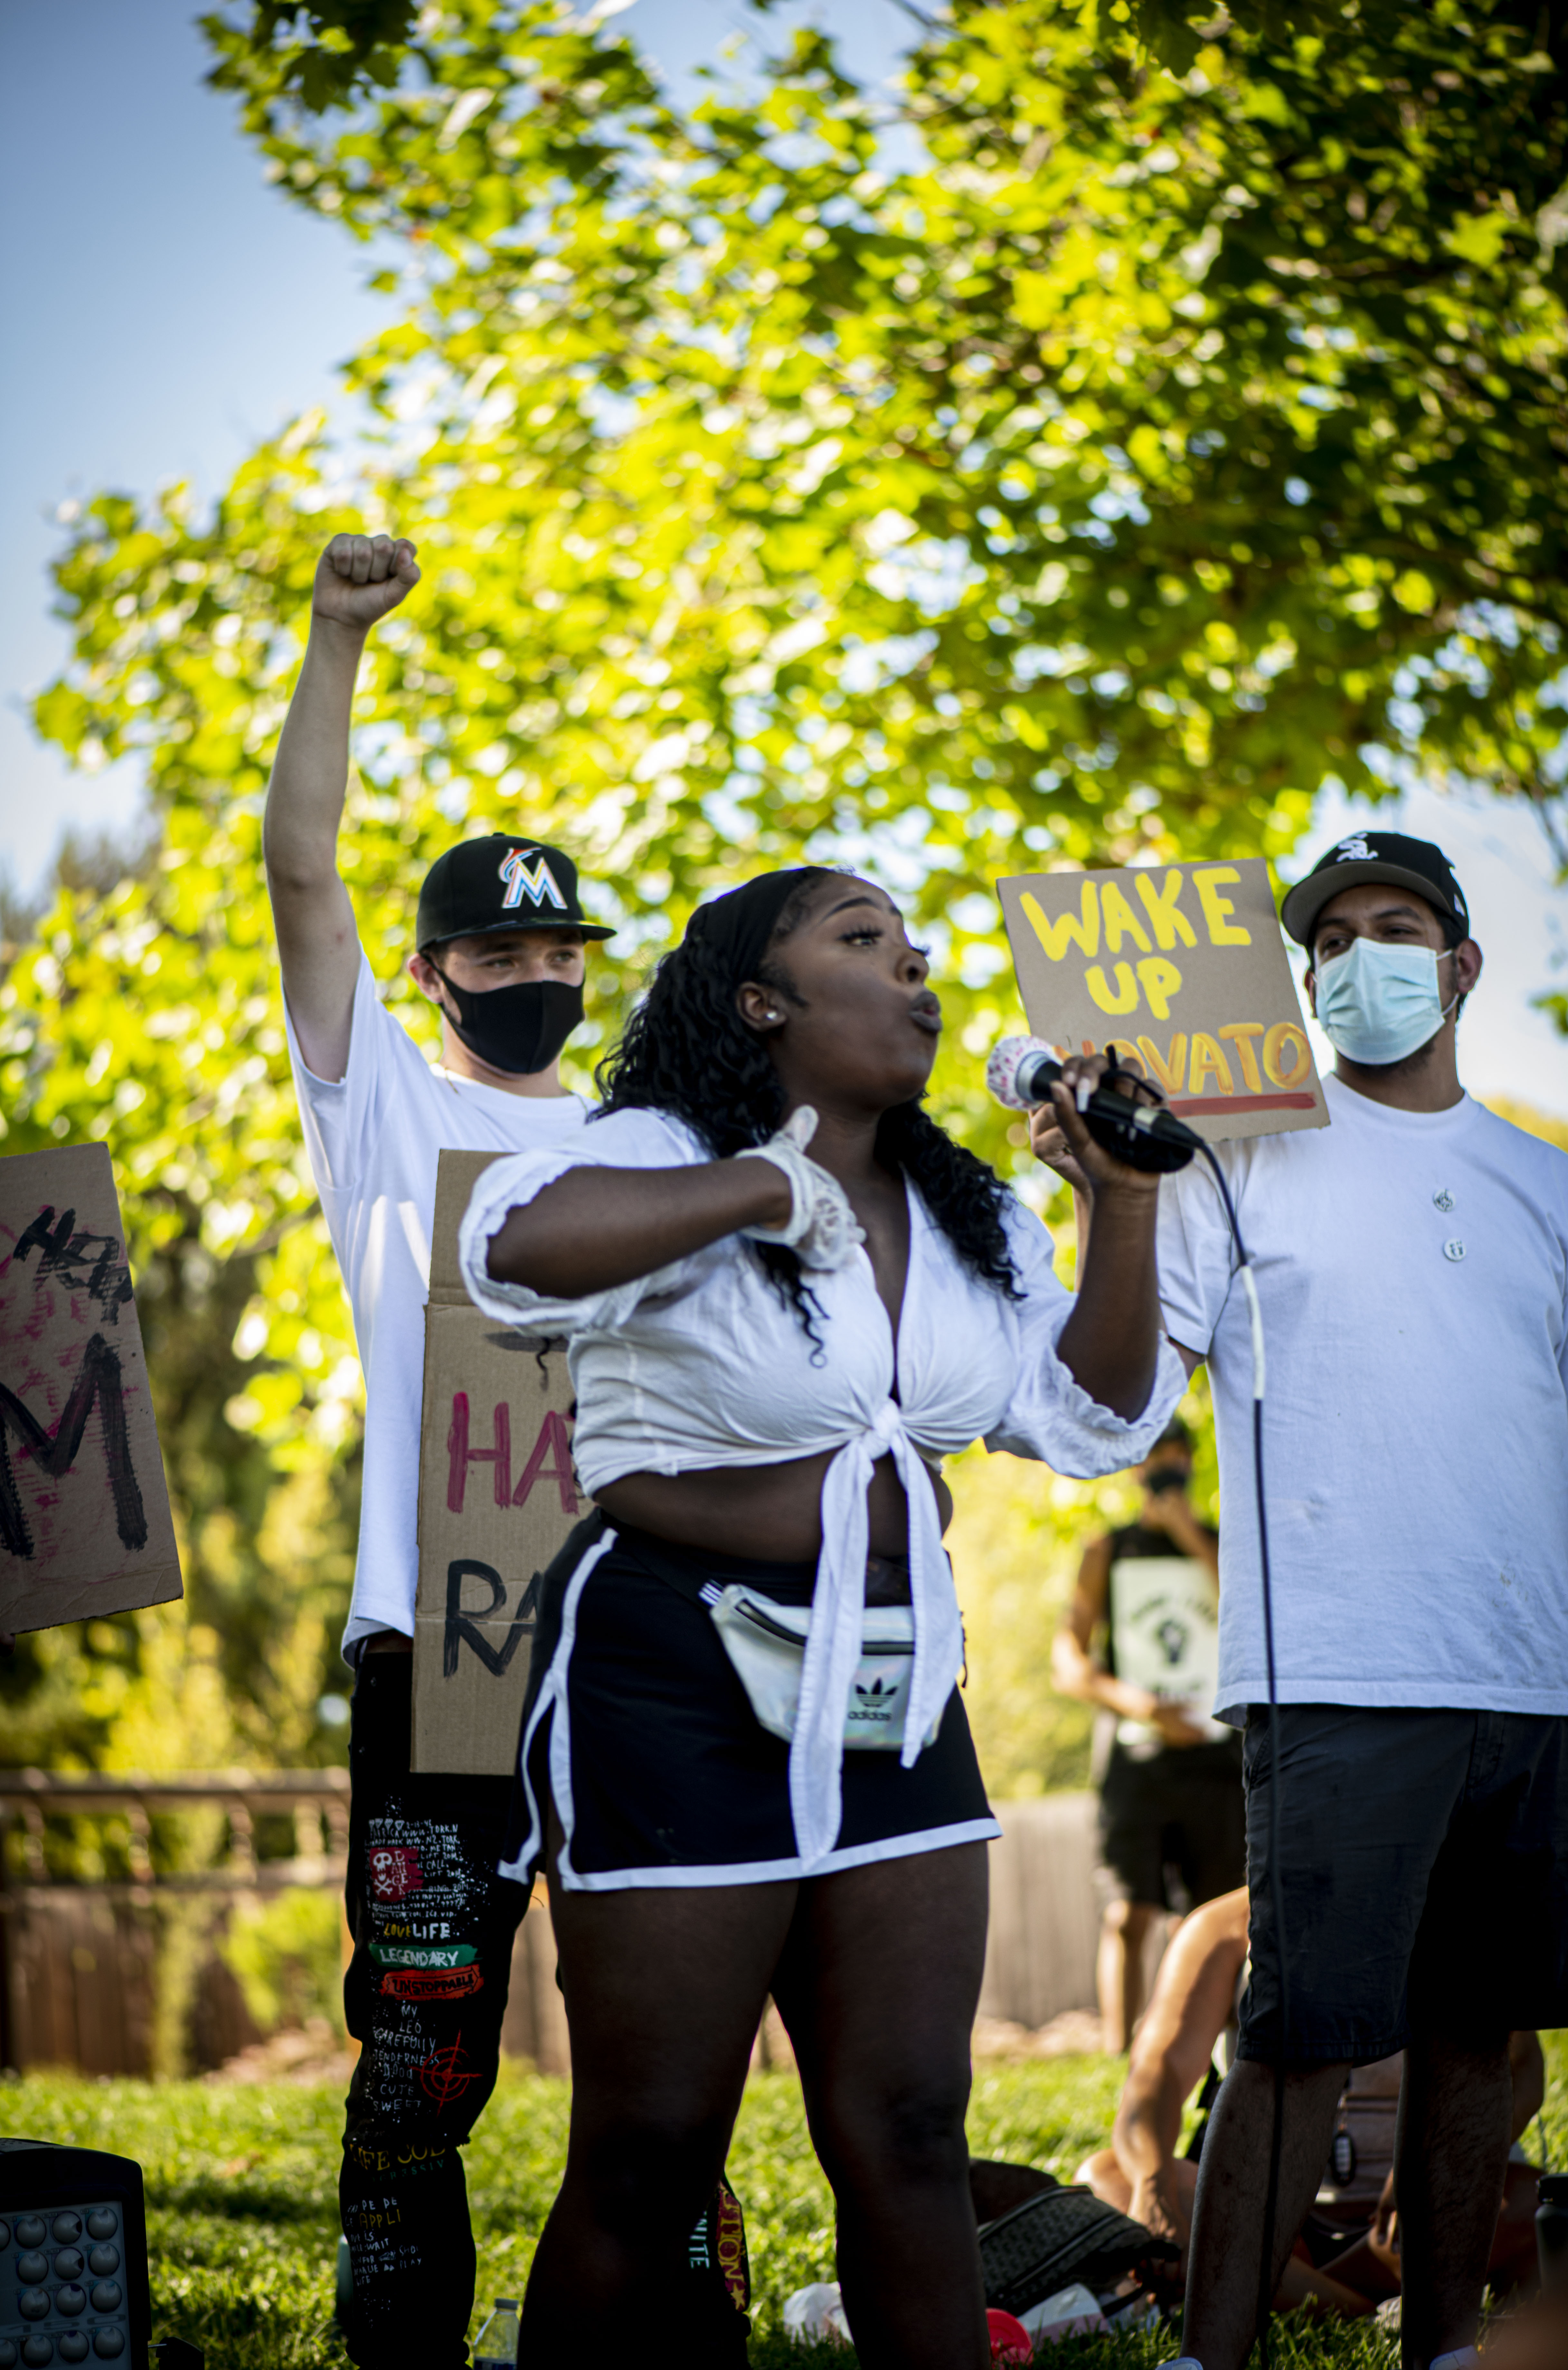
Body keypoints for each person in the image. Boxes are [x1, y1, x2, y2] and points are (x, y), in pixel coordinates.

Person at [457, 865, 1185, 2365]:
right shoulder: (662, 1145)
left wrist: (1120, 1204)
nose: (915, 973)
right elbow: (509, 1253)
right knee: (652, 2143)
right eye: (864, 941)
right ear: (759, 1000)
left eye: (918, 953)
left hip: (894, 1686)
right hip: (672, 1673)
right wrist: (759, 1190)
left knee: (909, 2124)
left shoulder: (964, 1207)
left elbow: (1095, 1416)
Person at [1148, 831, 1568, 2370]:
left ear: (1458, 964)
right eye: (1326, 941)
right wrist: (1111, 1181)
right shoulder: (1227, 1155)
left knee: (1478, 2039)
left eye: (1390, 928)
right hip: (1336, 1663)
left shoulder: (1550, 1184)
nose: (1355, 959)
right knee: (1295, 2038)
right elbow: (1124, 1386)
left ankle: (1444, 2346)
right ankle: (1206, 2355)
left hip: (1529, 1677)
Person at [263, 529, 614, 2366]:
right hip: (443, 1645)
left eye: (561, 949)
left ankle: (664, 2319)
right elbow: (299, 870)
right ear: (432, 971)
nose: (534, 972)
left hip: (634, 1643)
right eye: (499, 949)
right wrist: (337, 638)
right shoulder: (382, 1107)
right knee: (423, 2030)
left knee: (660, 2018)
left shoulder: (651, 1135)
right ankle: (400, 2334)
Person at [1075, 1888, 1544, 2314]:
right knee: (1106, 2179)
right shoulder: (1224, 1927)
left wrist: (1426, 2168)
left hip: (1412, 2226)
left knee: (1533, 2201)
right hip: (1261, 2222)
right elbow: (1154, 2079)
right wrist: (1154, 2190)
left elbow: (1522, 2073)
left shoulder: (1458, 1917)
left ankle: (1282, 2295)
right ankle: (1356, 2310)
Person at [1052, 1418, 1242, 2051]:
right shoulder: (1107, 1550)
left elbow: (1247, 1614)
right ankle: (1118, 2052)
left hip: (1217, 1761)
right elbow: (1068, 1661)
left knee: (1211, 1918)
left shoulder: (1224, 1545)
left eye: (1177, 1456)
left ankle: (1204, 2049)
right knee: (1128, 1913)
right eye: (1155, 1457)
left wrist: (1187, 1532)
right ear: (1134, 1466)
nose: (1167, 1469)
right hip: (1135, 1762)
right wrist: (1141, 1705)